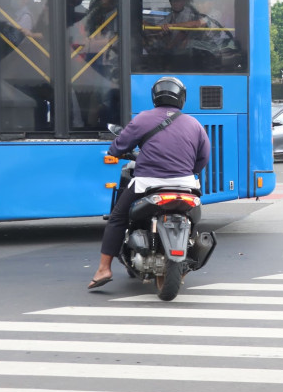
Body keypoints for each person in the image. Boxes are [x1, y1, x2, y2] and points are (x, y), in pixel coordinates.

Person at [87, 77, 211, 290]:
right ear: (181, 98)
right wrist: (187, 173)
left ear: (155, 97)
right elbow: (203, 158)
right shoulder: (194, 124)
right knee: (193, 220)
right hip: (186, 184)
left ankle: (103, 269)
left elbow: (116, 148)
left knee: (118, 217)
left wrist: (119, 151)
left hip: (147, 183)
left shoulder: (143, 119)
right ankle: (185, 262)